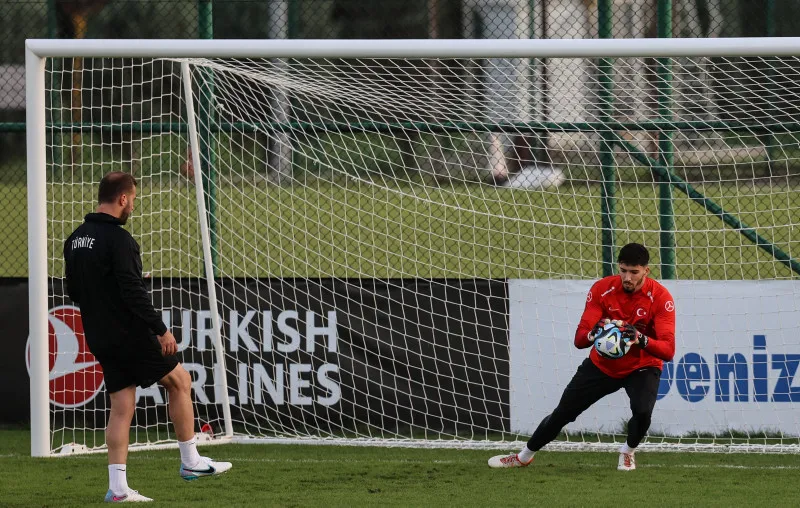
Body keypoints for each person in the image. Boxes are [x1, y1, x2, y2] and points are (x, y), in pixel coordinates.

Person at [64, 172, 232, 503]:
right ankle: (191, 463)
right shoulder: (120, 240)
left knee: (122, 405)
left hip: (98, 334)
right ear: (123, 199)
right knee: (180, 381)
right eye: (134, 200)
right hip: (130, 333)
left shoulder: (75, 239)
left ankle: (118, 489)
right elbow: (132, 292)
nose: (134, 207)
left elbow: (75, 290)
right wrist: (161, 329)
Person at [489, 243, 675, 471]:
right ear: (618, 267)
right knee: (563, 413)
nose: (627, 277)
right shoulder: (602, 289)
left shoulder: (660, 298)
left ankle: (627, 451)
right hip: (602, 366)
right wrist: (594, 333)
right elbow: (579, 340)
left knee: (643, 411)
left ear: (646, 270)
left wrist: (640, 338)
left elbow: (668, 350)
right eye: (623, 270)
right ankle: (523, 456)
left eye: (634, 272)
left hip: (642, 366)